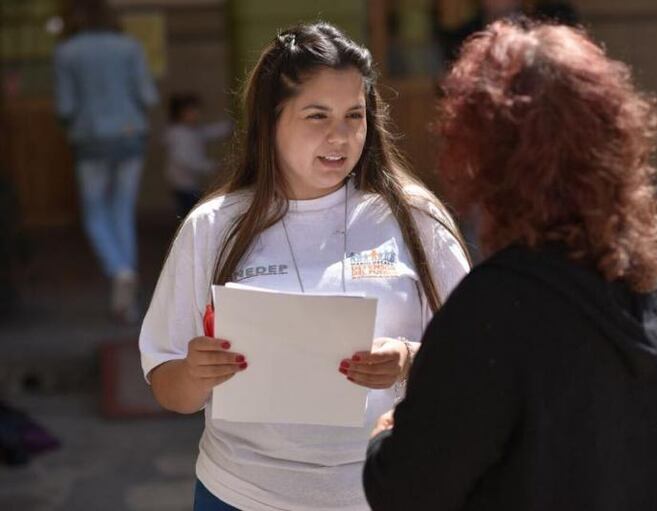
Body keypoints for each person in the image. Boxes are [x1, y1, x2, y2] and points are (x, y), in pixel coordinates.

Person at [139, 22, 470, 510]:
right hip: (239, 494)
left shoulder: (414, 217)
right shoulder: (213, 225)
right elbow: (168, 385)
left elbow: (474, 358)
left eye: (354, 116)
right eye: (317, 116)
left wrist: (407, 360)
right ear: (270, 121)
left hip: (388, 487)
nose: (340, 137)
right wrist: (196, 372)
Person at [364, 20, 657, 511]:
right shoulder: (650, 276)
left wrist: (385, 432)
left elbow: (403, 489)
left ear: (484, 157)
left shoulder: (494, 309)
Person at [54, 0, 158, 322]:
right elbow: (148, 96)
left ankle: (120, 270)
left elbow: (65, 107)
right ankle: (128, 297)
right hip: (129, 135)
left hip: (90, 139)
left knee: (96, 212)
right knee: (122, 210)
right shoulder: (129, 47)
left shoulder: (67, 52)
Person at [165, 93, 232, 219]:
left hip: (190, 183)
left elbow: (209, 132)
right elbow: (184, 160)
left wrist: (229, 127)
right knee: (191, 216)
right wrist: (210, 167)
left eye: (197, 110)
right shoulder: (179, 134)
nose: (196, 114)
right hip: (182, 184)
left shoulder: (193, 131)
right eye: (191, 111)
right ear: (180, 113)